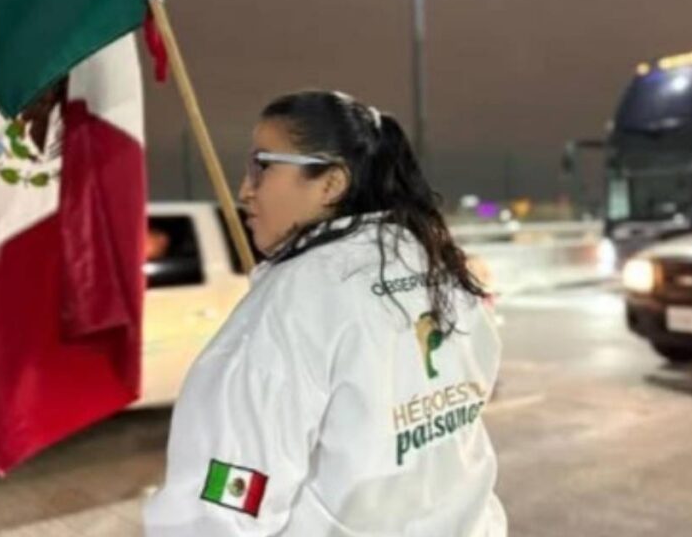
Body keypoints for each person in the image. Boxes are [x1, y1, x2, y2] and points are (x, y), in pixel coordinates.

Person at [143, 90, 507, 536]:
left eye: (262, 166)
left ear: (331, 183)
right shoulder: (435, 263)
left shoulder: (291, 305)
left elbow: (221, 510)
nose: (245, 190)